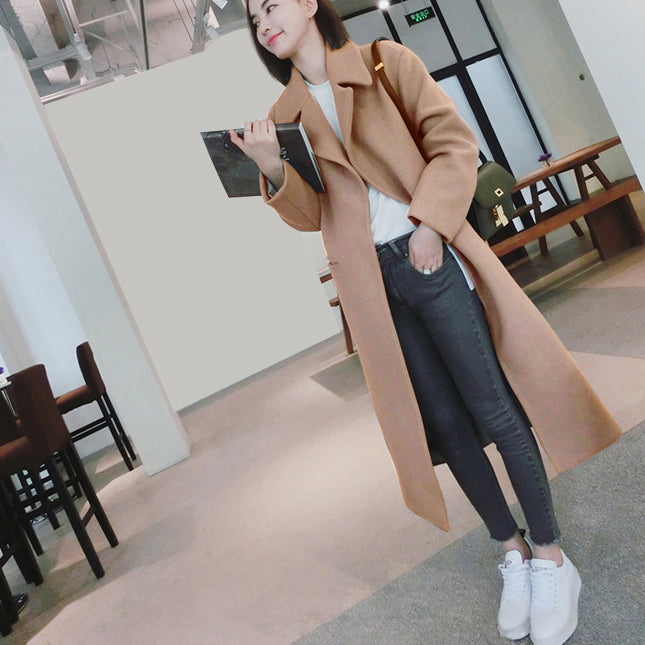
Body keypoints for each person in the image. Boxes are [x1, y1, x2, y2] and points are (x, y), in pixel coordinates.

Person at [230, 1, 621, 642]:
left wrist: (430, 225)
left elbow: (453, 145)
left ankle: (551, 556)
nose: (262, 23)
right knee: (444, 424)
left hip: (427, 255)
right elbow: (310, 216)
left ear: (308, 4)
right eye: (252, 20)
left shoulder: (385, 62)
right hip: (372, 285)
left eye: (269, 5)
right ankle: (511, 548)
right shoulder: (282, 116)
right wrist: (273, 168)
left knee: (493, 406)